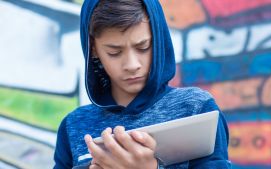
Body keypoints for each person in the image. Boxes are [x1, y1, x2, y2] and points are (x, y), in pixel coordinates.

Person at [53, 0, 231, 168]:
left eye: (143, 47)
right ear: (93, 49)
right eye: (114, 52)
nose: (132, 65)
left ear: (158, 40)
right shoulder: (73, 125)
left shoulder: (197, 110)